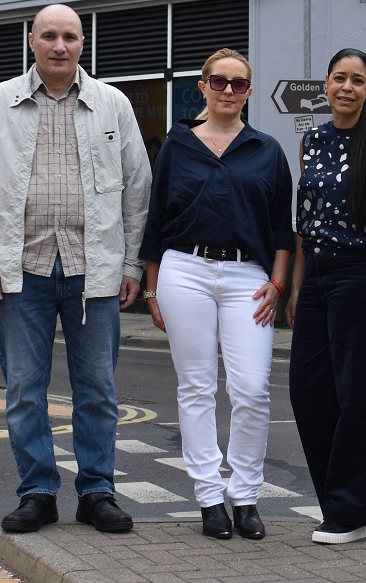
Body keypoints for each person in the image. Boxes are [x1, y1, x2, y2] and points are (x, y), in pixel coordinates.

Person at [0, 4, 152, 534]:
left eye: (69, 36)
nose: (59, 46)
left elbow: (138, 189)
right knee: (24, 389)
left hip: (97, 270)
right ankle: (38, 492)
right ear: (31, 41)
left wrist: (133, 262)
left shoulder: (112, 103)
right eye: (49, 36)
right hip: (23, 270)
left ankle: (97, 492)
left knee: (97, 390)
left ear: (82, 43)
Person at [139, 48, 294, 541]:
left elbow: (281, 229)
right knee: (196, 387)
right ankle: (209, 496)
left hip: (248, 276)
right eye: (220, 82)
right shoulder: (177, 145)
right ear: (203, 86)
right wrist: (151, 287)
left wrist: (278, 282)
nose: (229, 91)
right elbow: (156, 219)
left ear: (249, 91)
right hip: (184, 270)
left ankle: (245, 494)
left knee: (251, 388)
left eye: (239, 84)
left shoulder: (267, 149)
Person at [284, 48, 366, 544]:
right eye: (339, 78)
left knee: (354, 394)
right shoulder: (312, 140)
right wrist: (297, 286)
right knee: (308, 391)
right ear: (326, 83)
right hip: (316, 274)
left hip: (365, 275)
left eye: (358, 80)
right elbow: (304, 218)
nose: (347, 87)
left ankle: (351, 512)